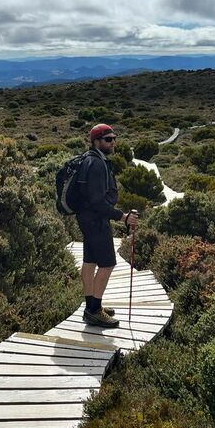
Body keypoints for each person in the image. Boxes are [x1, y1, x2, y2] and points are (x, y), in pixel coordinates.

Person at [76, 123, 138, 327]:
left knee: (90, 262)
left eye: (114, 138)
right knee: (107, 264)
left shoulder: (89, 159)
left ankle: (91, 305)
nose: (113, 143)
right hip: (96, 221)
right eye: (108, 139)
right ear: (96, 142)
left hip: (86, 220)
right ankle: (94, 311)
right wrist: (122, 217)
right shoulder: (96, 164)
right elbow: (97, 202)